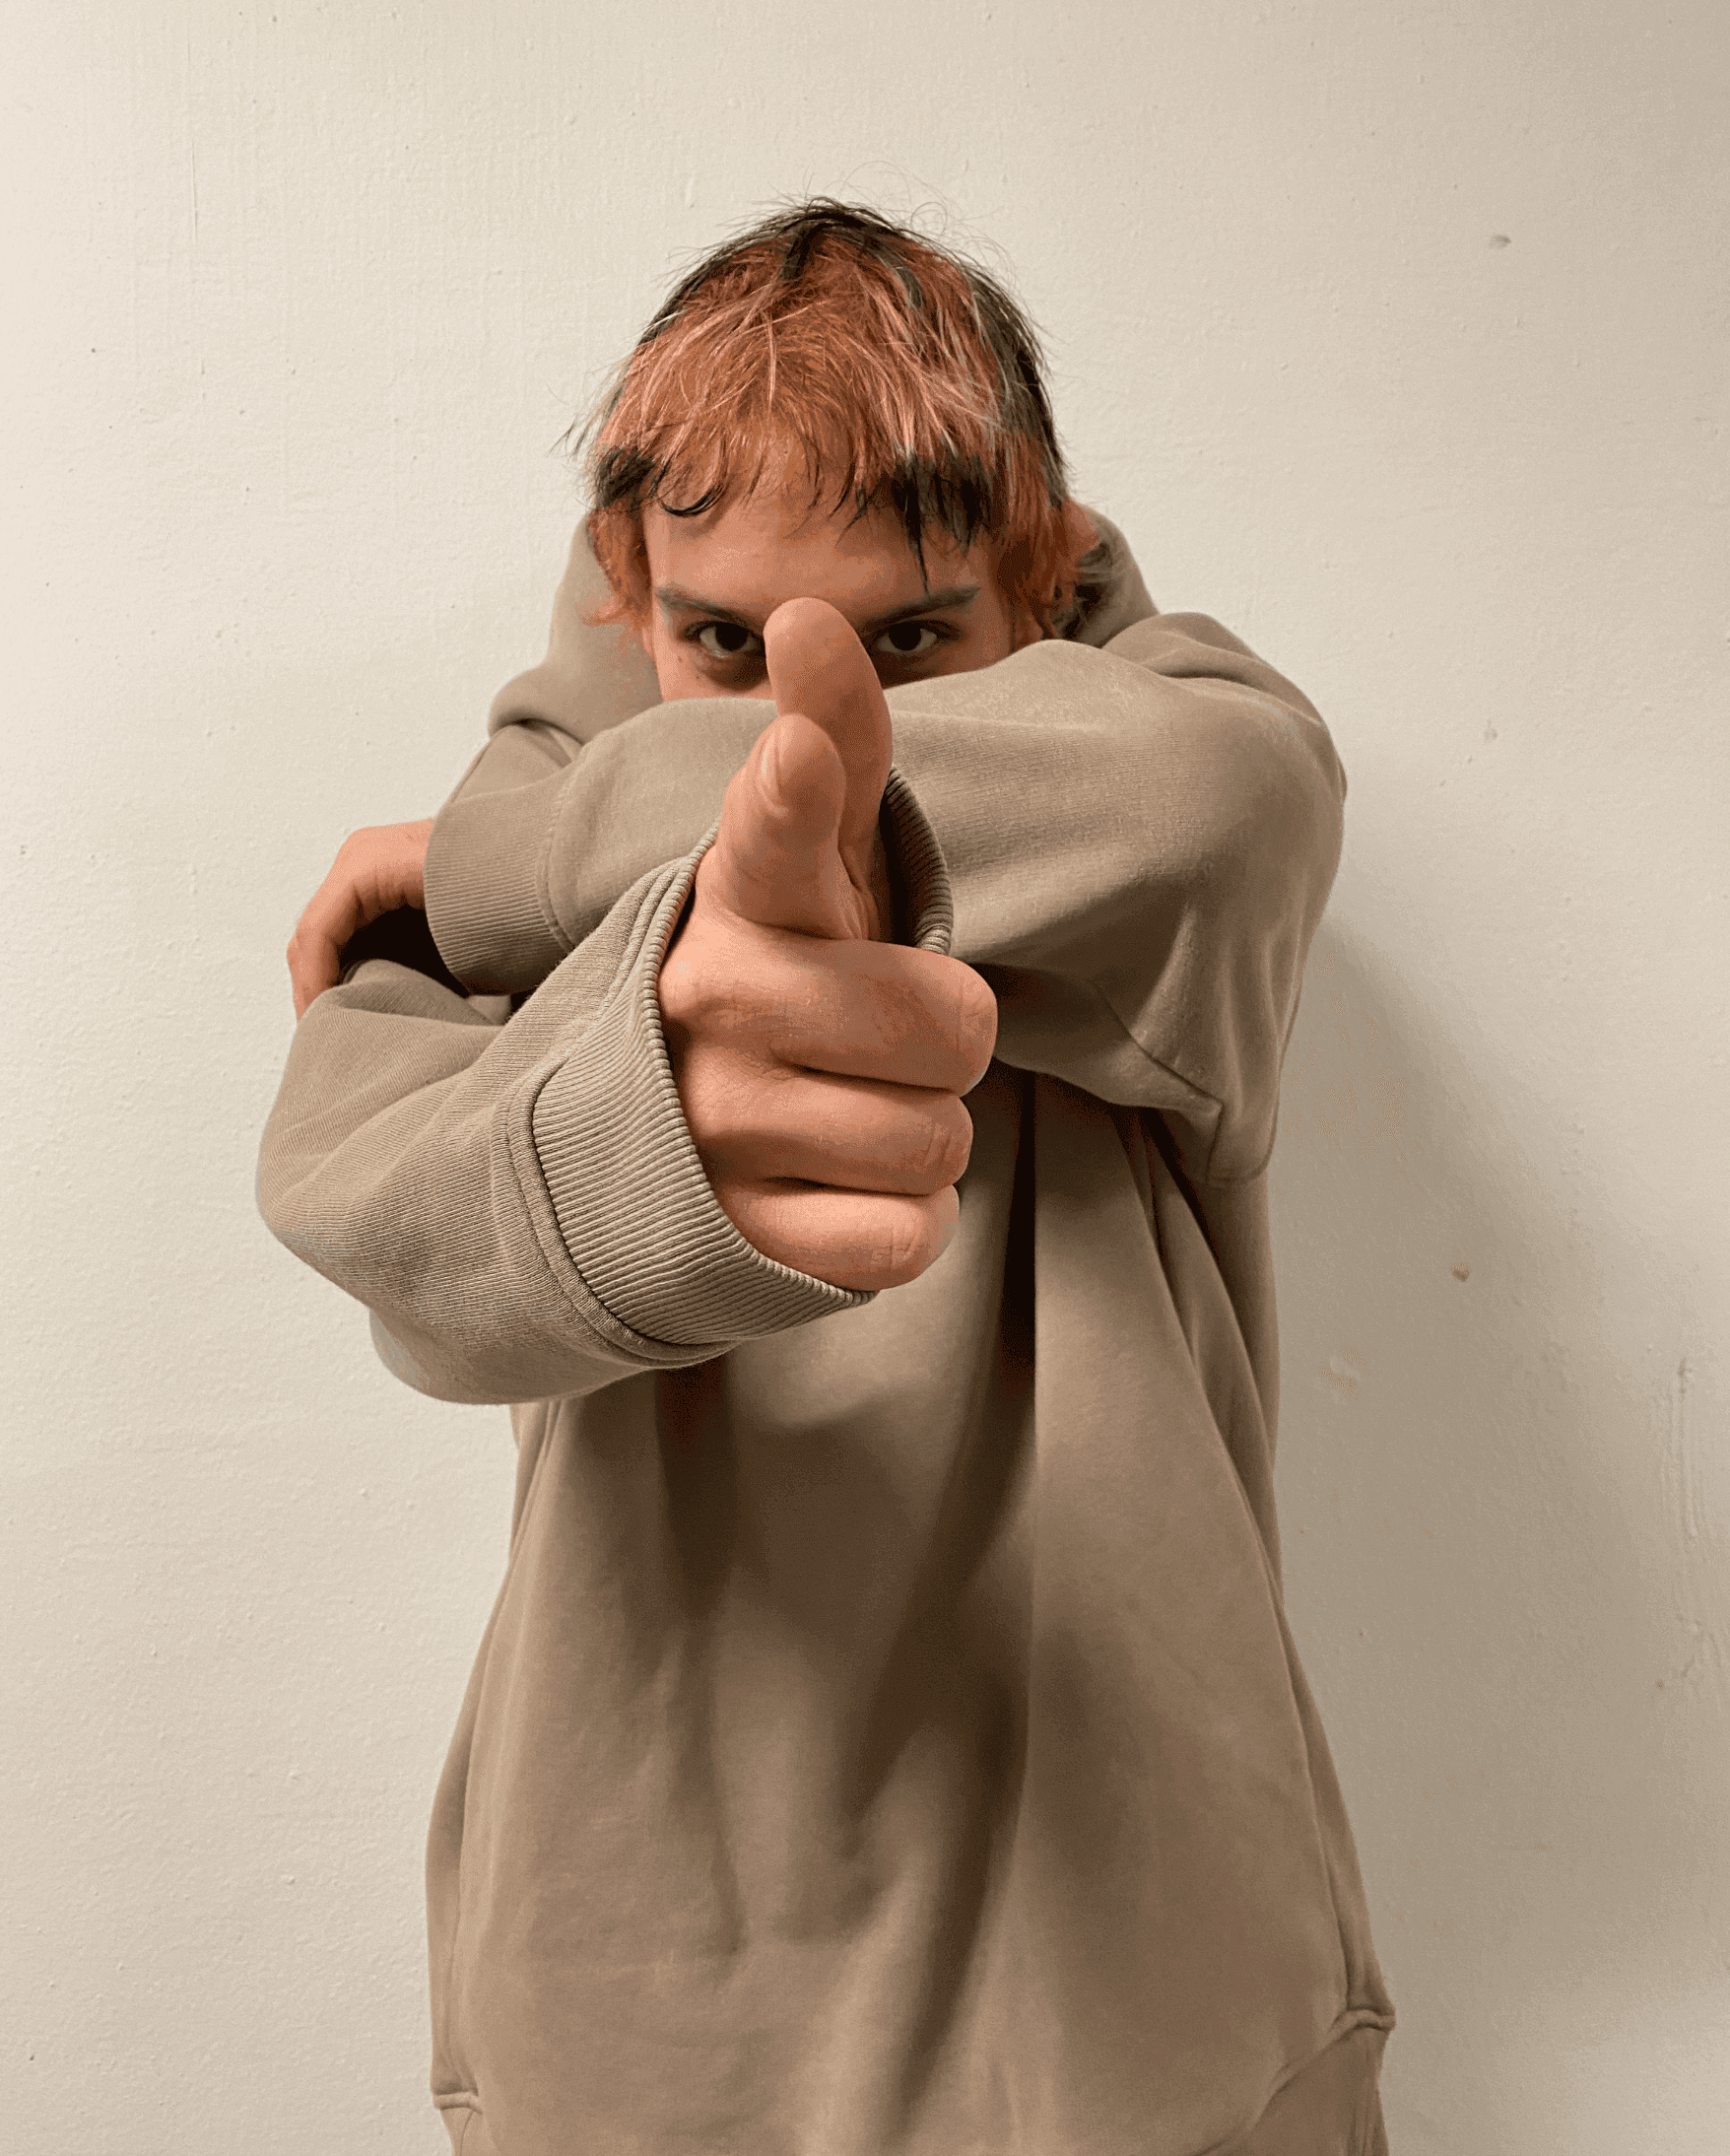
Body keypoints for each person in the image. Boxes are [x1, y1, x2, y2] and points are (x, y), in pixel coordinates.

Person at [260, 200, 1396, 2156]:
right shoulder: (512, 847)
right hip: (646, 1964)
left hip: (1130, 1964)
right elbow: (373, 1215)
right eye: (723, 640)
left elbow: (1205, 804)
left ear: (1041, 573)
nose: (815, 710)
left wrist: (504, 867)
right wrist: (644, 1133)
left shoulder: (1186, 765)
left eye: (910, 643)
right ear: (625, 589)